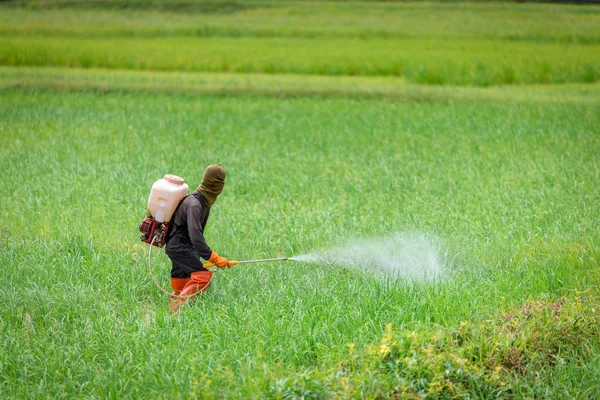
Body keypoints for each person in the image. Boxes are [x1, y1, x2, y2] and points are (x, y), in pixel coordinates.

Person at [165, 163, 233, 311]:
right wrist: (214, 258)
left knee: (182, 281)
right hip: (179, 247)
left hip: (182, 247)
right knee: (203, 277)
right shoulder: (195, 204)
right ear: (217, 186)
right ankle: (176, 309)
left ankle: (173, 315)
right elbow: (196, 237)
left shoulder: (203, 202)